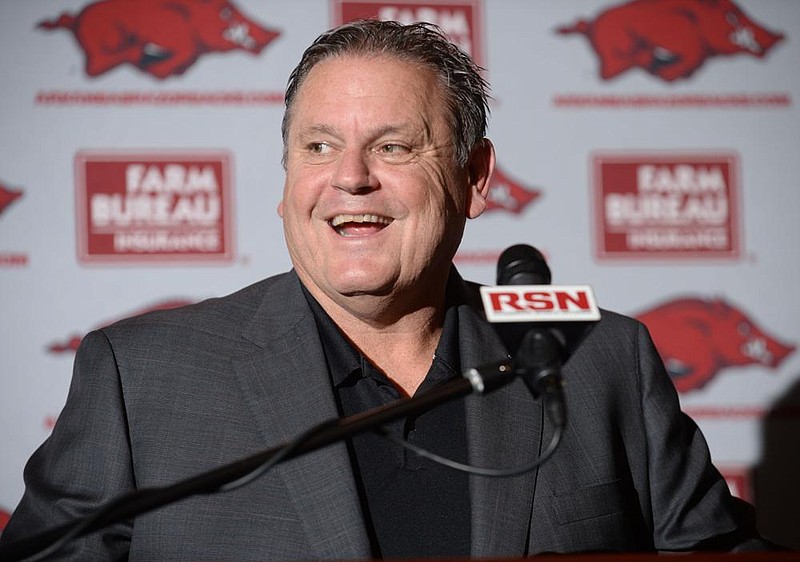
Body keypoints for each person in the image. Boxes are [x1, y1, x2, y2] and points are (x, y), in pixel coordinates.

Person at [0, 19, 772, 560]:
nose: (350, 178)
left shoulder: (598, 351)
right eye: (318, 145)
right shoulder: (142, 375)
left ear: (474, 180)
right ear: (286, 179)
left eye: (394, 146)